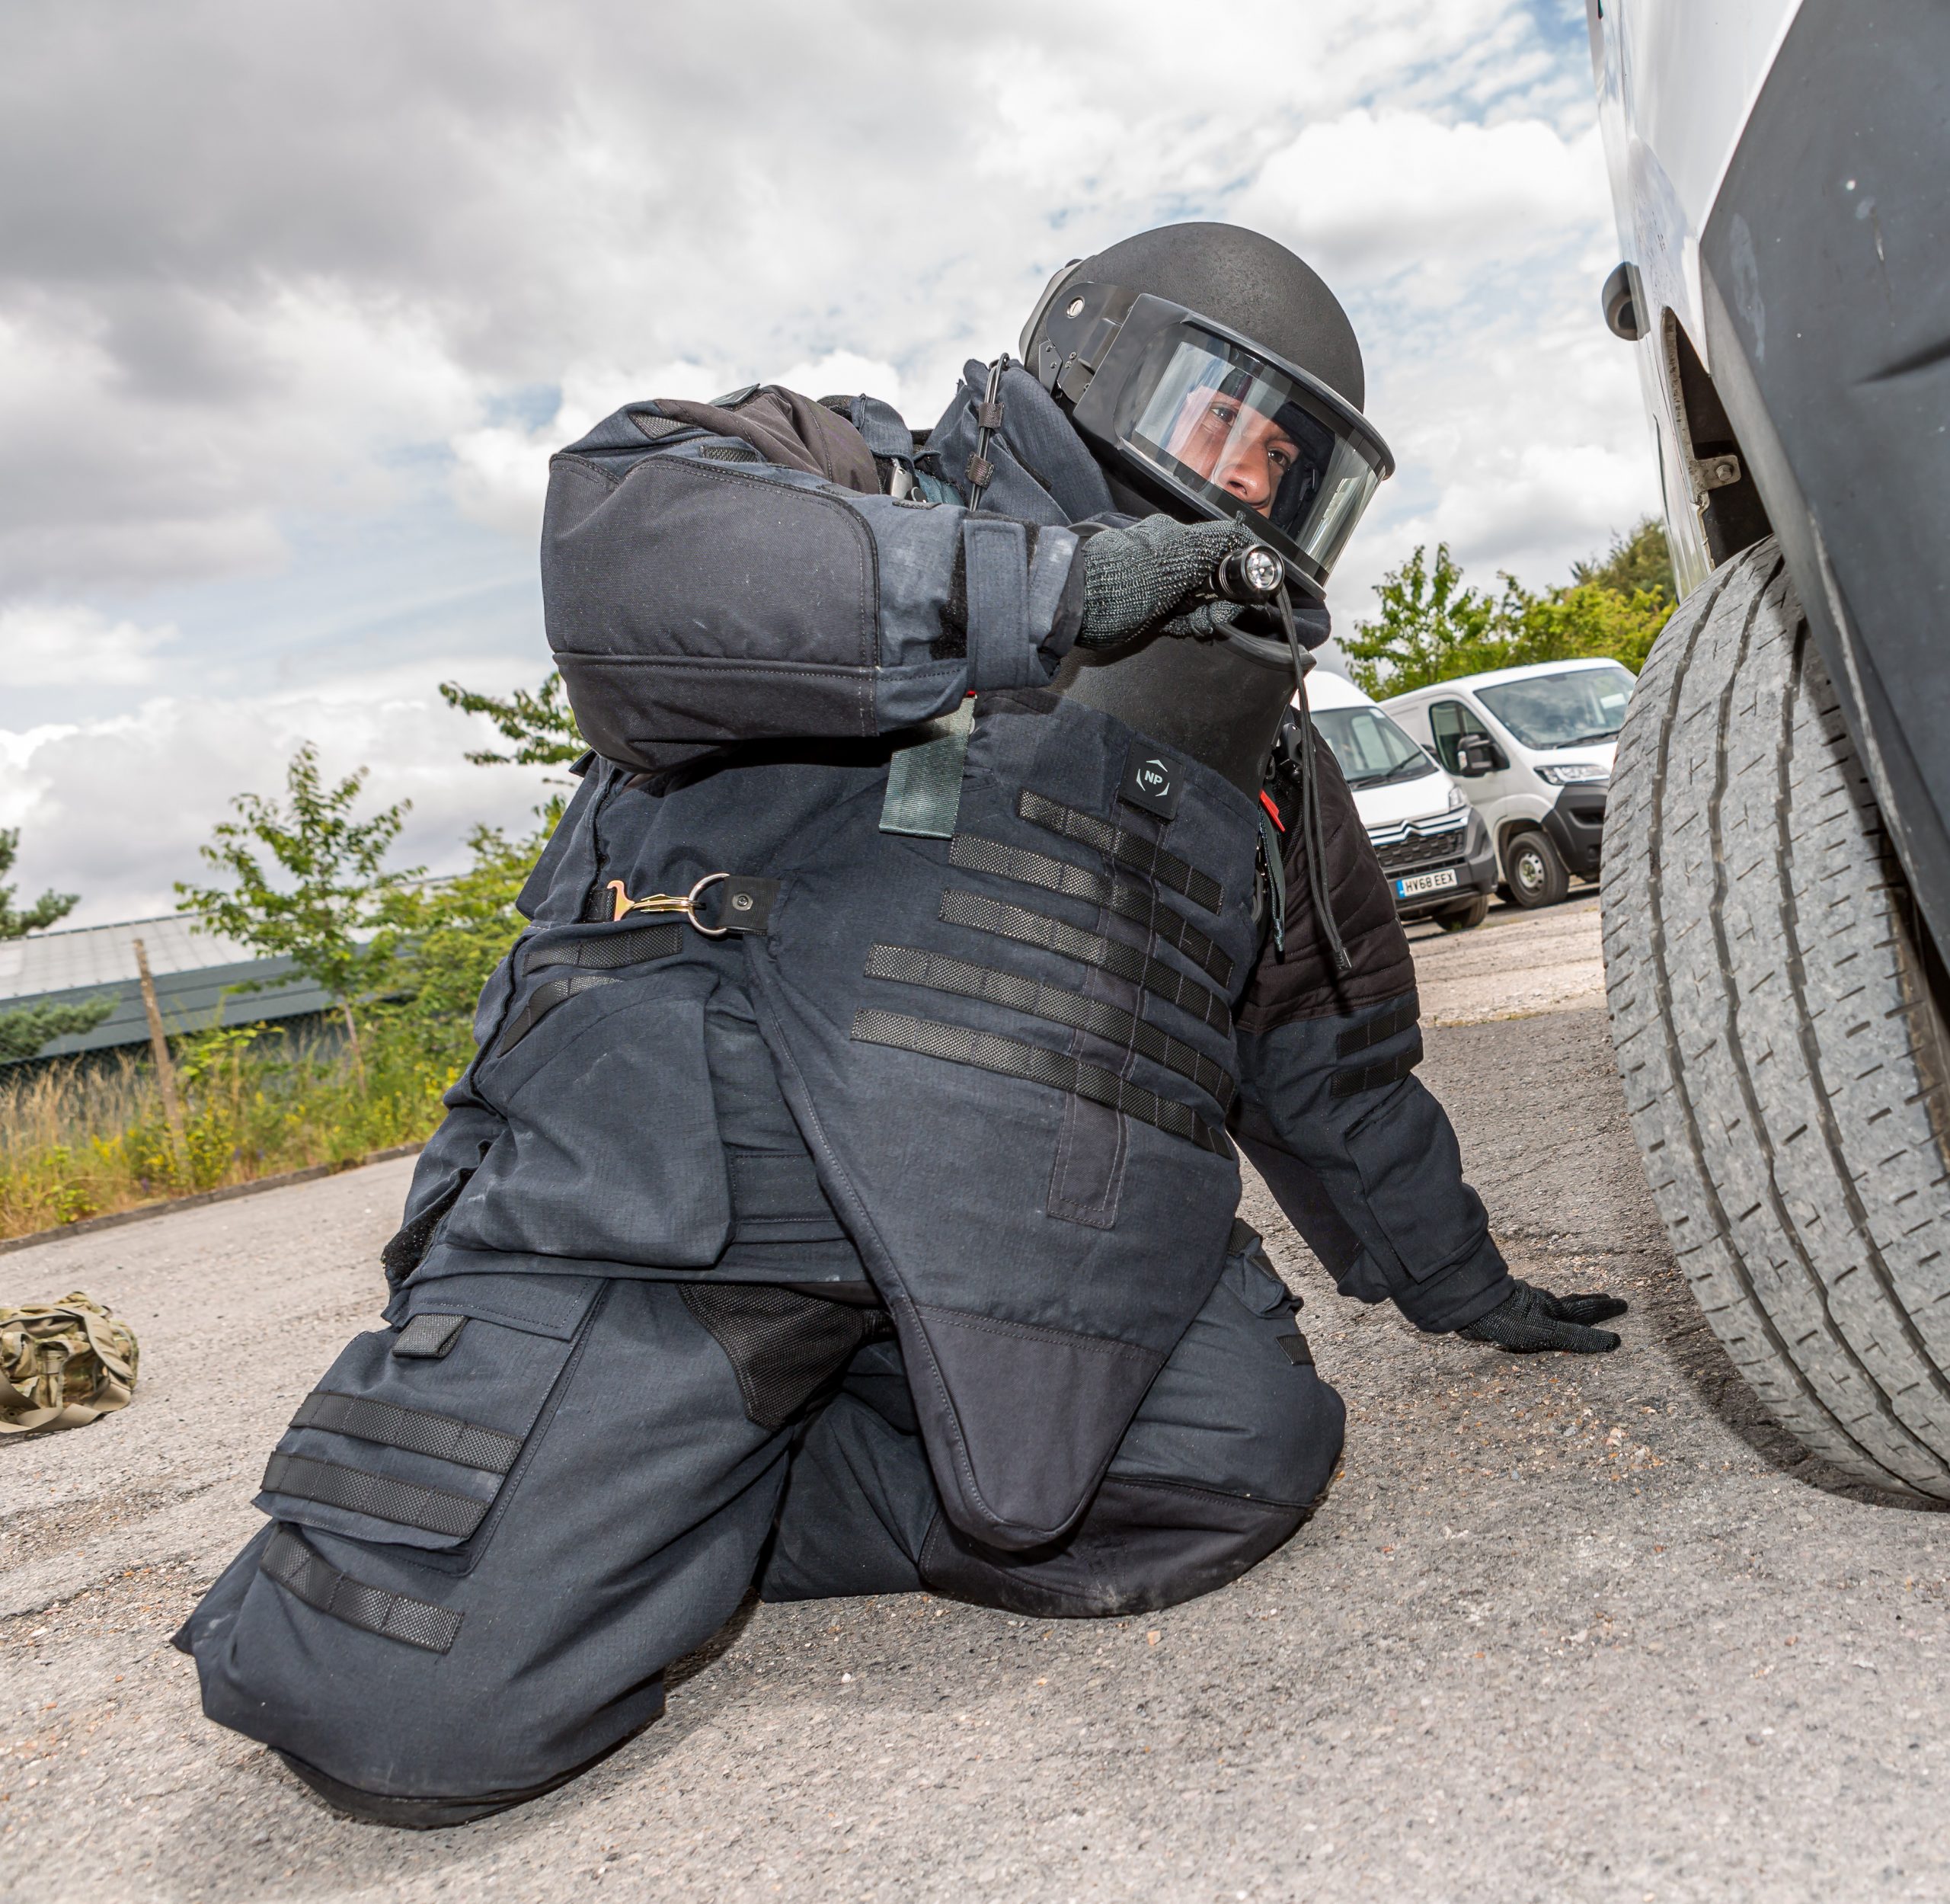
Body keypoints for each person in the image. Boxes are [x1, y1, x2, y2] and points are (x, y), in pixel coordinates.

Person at [176, 222, 1626, 1826]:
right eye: (1225, 418)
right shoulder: (855, 477)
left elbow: (1326, 1045)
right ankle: (596, 1476)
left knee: (1242, 1452)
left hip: (1033, 1240)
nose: (1247, 482)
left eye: (1291, 469)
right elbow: (621, 556)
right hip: (712, 1200)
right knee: (398, 1703)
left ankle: (690, 1502)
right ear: (1097, 361)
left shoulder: (1256, 737)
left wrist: (1453, 1277)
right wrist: (1044, 586)